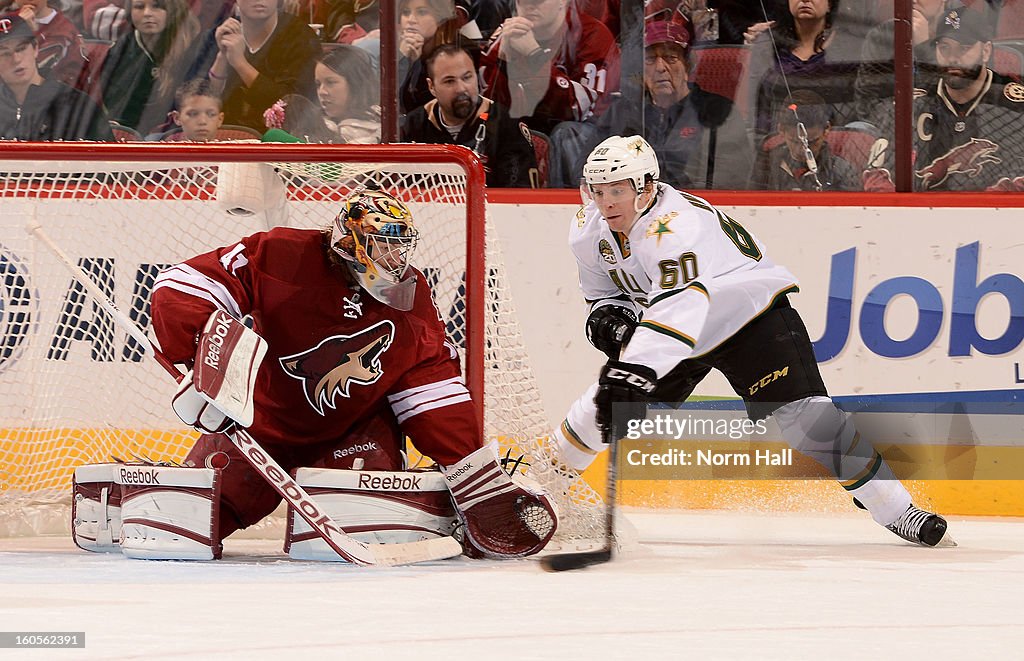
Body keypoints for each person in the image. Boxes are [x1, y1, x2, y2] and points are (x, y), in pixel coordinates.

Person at [552, 134, 954, 548]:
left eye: (618, 191)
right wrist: (609, 322)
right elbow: (603, 297)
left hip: (749, 313)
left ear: (647, 187)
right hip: (674, 327)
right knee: (603, 405)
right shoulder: (587, 229)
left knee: (811, 423)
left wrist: (634, 371)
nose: (607, 203)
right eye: (598, 192)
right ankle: (543, 492)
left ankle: (897, 510)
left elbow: (679, 310)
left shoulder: (676, 228)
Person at [148, 188, 557, 558]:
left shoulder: (408, 296)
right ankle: (122, 499)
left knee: (367, 527)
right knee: (180, 527)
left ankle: (435, 511)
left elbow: (428, 381)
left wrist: (466, 464)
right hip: (260, 427)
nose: (396, 261)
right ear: (350, 244)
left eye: (401, 248)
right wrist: (202, 365)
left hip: (354, 434)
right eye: (384, 247)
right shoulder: (280, 254)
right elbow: (185, 283)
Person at [547, 10, 752, 189]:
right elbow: (585, 171)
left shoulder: (717, 111)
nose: (661, 67)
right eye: (651, 60)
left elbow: (730, 180)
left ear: (688, 67)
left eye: (671, 58)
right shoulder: (622, 112)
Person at [862, 5, 1024, 191]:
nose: (953, 58)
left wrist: (981, 210)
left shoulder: (1014, 106)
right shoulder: (910, 104)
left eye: (963, 48)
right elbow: (877, 173)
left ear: (986, 51)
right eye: (944, 48)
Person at [402, 43, 537, 187]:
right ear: (431, 87)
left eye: (467, 78)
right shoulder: (413, 126)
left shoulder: (506, 124)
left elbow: (518, 198)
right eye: (449, 81)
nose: (461, 88)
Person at [478, 0, 620, 134]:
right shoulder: (509, 32)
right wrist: (504, 65)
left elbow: (583, 110)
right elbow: (484, 104)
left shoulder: (592, 35)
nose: (530, 6)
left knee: (565, 132)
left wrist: (535, 57)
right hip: (524, 127)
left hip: (583, 132)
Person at [747, 0, 865, 147]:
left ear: (830, 4)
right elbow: (755, 106)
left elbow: (860, 104)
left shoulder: (850, 47)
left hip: (838, 144)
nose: (805, 0)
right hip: (779, 143)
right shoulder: (769, 44)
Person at [200, 0, 320, 130]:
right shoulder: (218, 35)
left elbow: (293, 109)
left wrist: (240, 64)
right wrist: (222, 57)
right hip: (223, 137)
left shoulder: (301, 37)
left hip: (280, 142)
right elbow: (194, 103)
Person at [0, 12, 113, 139]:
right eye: (4, 53)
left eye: (21, 49)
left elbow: (109, 157)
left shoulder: (77, 104)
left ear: (35, 49)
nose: (16, 59)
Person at [95, 0, 201, 135]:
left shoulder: (194, 48)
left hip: (179, 134)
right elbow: (116, 108)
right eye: (139, 7)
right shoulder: (118, 53)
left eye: (157, 6)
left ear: (172, 10)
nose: (147, 13)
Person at [853, 0, 947, 129]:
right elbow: (867, 103)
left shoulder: (958, 36)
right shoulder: (883, 35)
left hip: (940, 129)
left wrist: (923, 48)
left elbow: (950, 97)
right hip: (889, 128)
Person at [758, 89, 861, 190]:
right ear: (781, 129)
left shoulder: (842, 171)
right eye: (795, 141)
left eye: (812, 142)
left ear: (826, 130)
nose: (802, 150)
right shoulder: (767, 165)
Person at [8, 0, 86, 88]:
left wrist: (26, 33)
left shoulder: (64, 32)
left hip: (55, 95)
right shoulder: (8, 21)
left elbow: (33, 75)